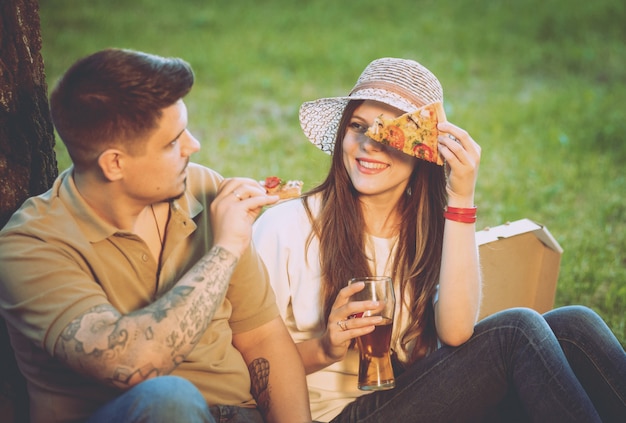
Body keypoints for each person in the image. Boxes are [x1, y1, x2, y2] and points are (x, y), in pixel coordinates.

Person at [252, 57, 626, 422]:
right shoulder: (286, 226)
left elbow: (456, 332)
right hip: (330, 415)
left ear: (422, 152)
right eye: (358, 127)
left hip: (409, 396)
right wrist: (325, 348)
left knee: (576, 326)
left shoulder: (426, 232)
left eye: (390, 133)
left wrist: (461, 199)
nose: (370, 145)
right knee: (515, 332)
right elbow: (242, 367)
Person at [0, 48, 312, 423]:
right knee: (168, 398)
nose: (193, 146)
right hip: (142, 413)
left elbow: (263, 337)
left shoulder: (203, 191)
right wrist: (226, 247)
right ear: (114, 163)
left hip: (239, 415)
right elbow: (135, 365)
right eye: (171, 142)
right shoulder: (32, 245)